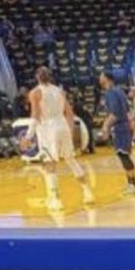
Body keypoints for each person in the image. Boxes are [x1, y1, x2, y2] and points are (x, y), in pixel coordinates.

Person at [20, 67, 94, 211]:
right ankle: (87, 192)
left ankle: (56, 200)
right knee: (71, 160)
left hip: (48, 128)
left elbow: (35, 115)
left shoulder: (35, 92)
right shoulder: (59, 91)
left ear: (37, 77)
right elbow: (70, 113)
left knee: (50, 164)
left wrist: (28, 137)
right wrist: (70, 131)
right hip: (63, 125)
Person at [99, 71, 135, 195]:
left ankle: (132, 184)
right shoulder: (119, 91)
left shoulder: (110, 92)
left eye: (101, 76)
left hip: (120, 127)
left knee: (123, 155)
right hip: (124, 126)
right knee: (124, 154)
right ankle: (132, 183)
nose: (99, 78)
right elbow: (127, 110)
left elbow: (115, 114)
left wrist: (105, 127)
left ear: (107, 79)